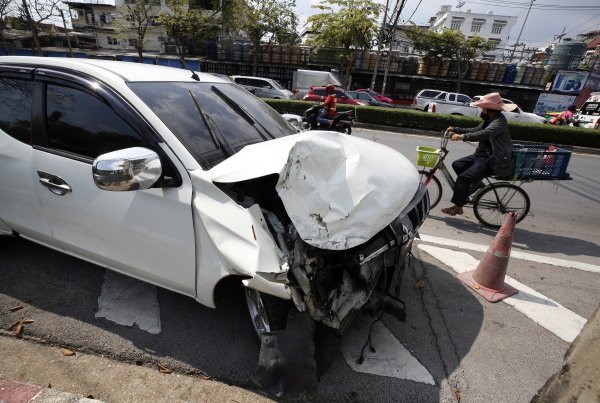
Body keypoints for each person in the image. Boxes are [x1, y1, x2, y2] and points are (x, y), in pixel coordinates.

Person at [441, 92, 517, 216]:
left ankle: (458, 206)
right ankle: (476, 183)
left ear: (490, 109)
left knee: (463, 178)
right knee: (457, 165)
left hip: (491, 160)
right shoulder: (490, 119)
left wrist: (462, 137)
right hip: (481, 156)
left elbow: (483, 134)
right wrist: (456, 129)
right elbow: (476, 130)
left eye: (483, 108)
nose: (482, 110)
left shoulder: (499, 122)